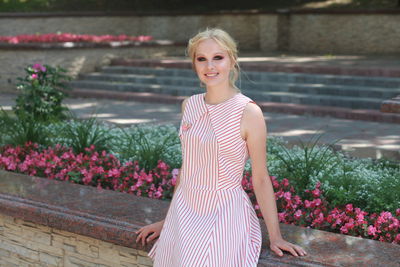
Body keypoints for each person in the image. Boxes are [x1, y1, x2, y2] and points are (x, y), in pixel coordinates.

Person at [135, 27, 307, 266]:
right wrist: (168, 221)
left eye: (218, 57)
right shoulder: (189, 106)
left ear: (232, 60)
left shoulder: (248, 112)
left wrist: (276, 237)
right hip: (184, 212)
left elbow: (260, 178)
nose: (210, 66)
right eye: (201, 59)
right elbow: (188, 168)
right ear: (194, 64)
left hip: (225, 212)